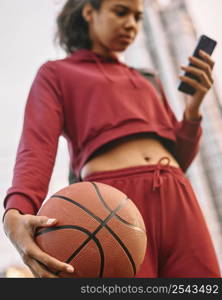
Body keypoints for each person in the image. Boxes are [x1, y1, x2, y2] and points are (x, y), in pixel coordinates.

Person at [3, 0, 221, 278]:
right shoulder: (56, 73)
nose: (131, 23)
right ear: (89, 12)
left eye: (138, 17)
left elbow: (181, 156)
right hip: (112, 204)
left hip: (178, 196)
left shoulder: (148, 79)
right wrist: (16, 212)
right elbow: (36, 148)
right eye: (121, 12)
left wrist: (192, 110)